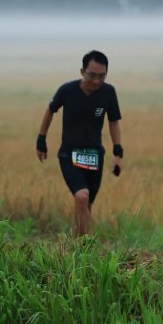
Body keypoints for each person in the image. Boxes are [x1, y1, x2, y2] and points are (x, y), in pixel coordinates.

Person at [36, 49, 123, 238]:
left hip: (94, 155)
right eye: (92, 75)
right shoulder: (67, 90)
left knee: (86, 204)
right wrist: (41, 140)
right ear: (82, 72)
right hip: (69, 154)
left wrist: (118, 153)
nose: (97, 81)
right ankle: (86, 245)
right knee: (81, 196)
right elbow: (51, 110)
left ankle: (77, 244)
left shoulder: (108, 92)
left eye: (102, 76)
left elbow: (114, 121)